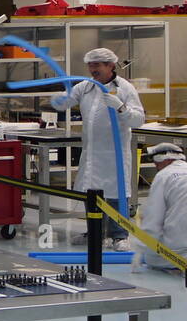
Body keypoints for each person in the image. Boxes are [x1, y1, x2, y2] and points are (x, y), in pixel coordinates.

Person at [50, 47, 146, 247]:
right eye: (90, 65)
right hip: (92, 153)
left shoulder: (125, 88)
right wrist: (58, 99)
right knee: (91, 193)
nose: (93, 69)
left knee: (116, 194)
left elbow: (138, 120)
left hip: (115, 154)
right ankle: (95, 233)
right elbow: (63, 104)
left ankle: (120, 236)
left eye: (97, 65)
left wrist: (120, 107)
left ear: (110, 65)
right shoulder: (85, 87)